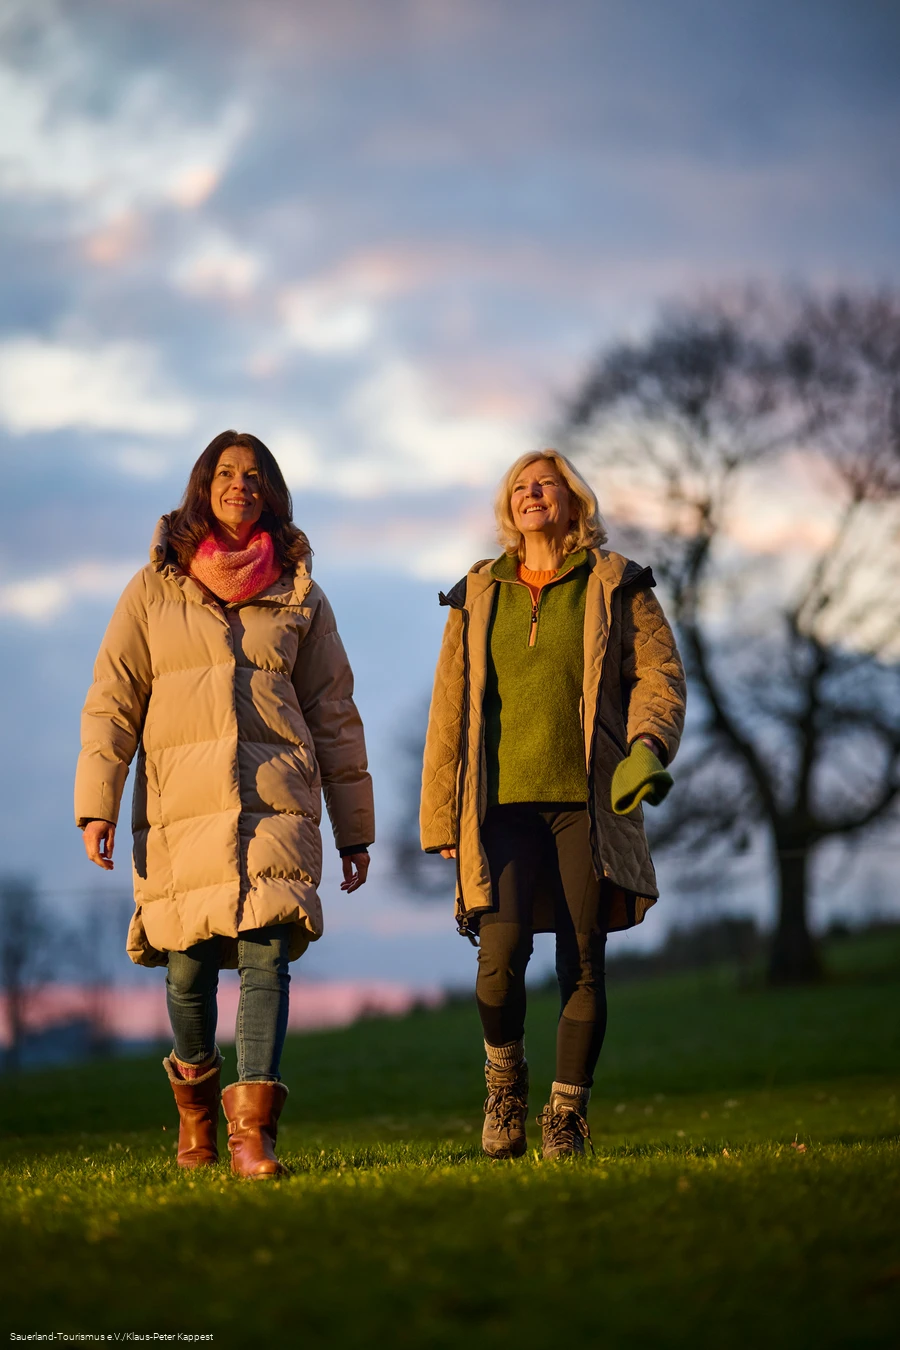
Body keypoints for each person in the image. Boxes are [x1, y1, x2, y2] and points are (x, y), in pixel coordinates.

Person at [76, 430, 374, 1179]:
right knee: (187, 971)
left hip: (276, 803)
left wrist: (354, 831)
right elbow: (113, 701)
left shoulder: (301, 594)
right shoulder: (153, 588)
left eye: (255, 475)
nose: (240, 485)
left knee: (266, 955)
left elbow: (333, 711)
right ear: (202, 486)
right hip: (181, 807)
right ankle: (197, 1109)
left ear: (271, 492)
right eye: (226, 473)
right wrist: (97, 804)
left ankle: (252, 1137)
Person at [420, 450, 685, 1159]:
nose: (532, 494)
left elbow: (659, 673)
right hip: (501, 808)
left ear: (574, 501)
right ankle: (505, 1087)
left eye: (547, 484)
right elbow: (449, 713)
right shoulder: (477, 593)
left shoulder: (615, 583)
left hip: (586, 805)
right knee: (498, 961)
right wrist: (442, 817)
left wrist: (647, 745)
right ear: (509, 508)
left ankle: (566, 1117)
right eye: (519, 486)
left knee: (582, 962)